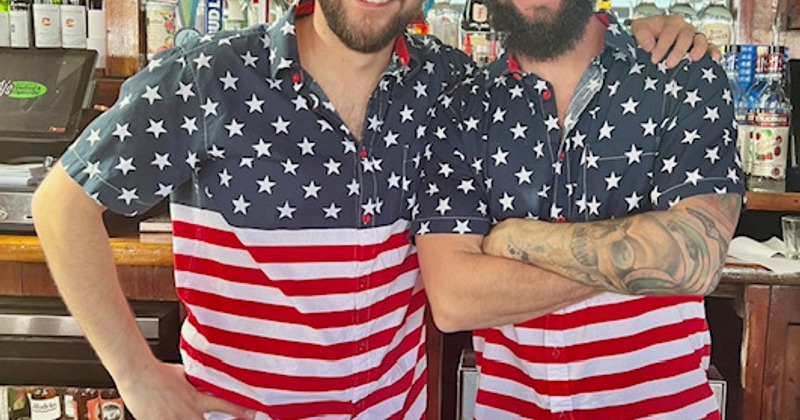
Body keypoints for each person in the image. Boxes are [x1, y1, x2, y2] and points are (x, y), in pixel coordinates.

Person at [31, 0, 711, 415]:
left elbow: (560, 50)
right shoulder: (209, 76)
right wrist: (135, 375)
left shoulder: (450, 84)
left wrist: (647, 32)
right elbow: (61, 207)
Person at [413, 1, 744, 419]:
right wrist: (639, 249)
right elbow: (454, 299)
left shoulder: (682, 73)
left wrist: (514, 239)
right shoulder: (465, 106)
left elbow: (694, 258)